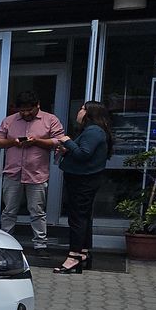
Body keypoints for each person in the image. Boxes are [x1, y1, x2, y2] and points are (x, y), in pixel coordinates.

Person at [0, 91, 65, 250]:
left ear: (37, 105)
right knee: (9, 211)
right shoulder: (9, 120)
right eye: (22, 110)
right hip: (13, 173)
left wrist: (37, 141)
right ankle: (6, 245)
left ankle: (40, 245)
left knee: (37, 211)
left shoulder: (50, 119)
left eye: (29, 110)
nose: (25, 113)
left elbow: (59, 140)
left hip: (37, 174)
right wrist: (13, 142)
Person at [52, 101, 114, 274]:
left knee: (77, 218)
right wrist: (68, 150)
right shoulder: (93, 131)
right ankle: (83, 253)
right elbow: (85, 152)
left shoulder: (94, 131)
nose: (79, 111)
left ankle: (73, 257)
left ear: (89, 113)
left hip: (83, 181)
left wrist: (68, 142)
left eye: (82, 109)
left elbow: (83, 154)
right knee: (83, 217)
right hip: (83, 179)